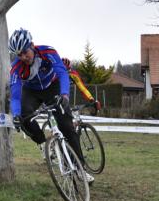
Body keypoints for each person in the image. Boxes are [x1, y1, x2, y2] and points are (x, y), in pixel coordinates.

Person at [8, 28, 94, 183]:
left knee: (67, 127)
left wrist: (65, 95)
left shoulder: (47, 52)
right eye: (18, 54)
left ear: (32, 45)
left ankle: (80, 169)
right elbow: (14, 95)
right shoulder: (16, 68)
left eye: (25, 52)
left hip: (52, 87)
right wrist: (15, 114)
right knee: (23, 117)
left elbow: (62, 73)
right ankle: (43, 143)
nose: (23, 57)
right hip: (32, 92)